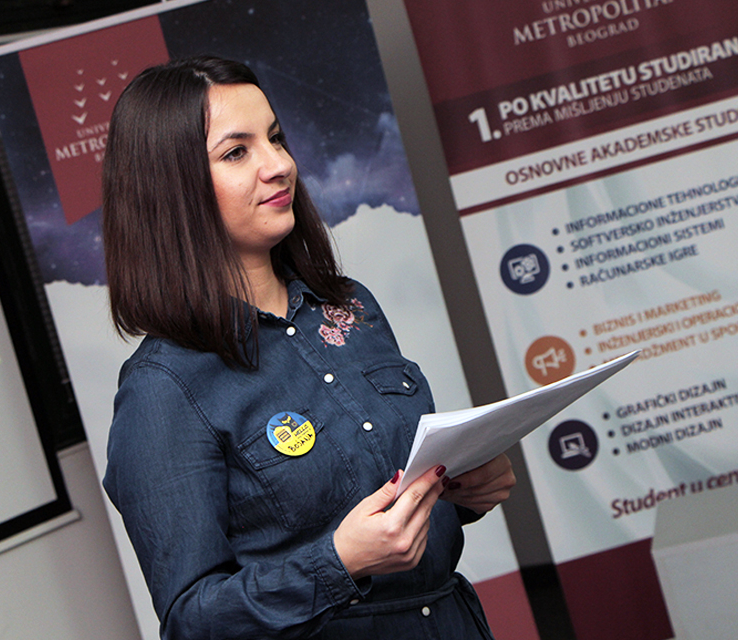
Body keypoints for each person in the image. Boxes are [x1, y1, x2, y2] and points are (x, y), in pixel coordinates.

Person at [100, 56, 515, 640]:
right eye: (236, 152)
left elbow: (388, 493)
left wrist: (462, 494)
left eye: (275, 138)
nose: (280, 165)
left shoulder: (351, 305)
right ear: (171, 188)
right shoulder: (162, 387)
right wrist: (339, 563)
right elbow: (193, 621)